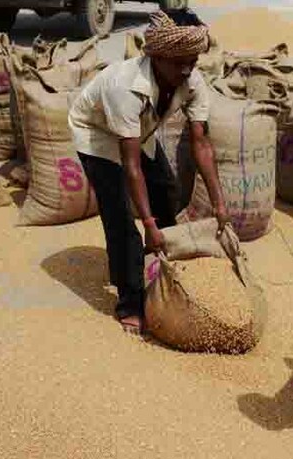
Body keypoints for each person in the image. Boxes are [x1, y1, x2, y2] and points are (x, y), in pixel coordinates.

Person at [69, 9, 229, 337]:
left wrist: (219, 203)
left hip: (138, 130)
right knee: (121, 219)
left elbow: (202, 144)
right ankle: (129, 301)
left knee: (166, 191)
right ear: (156, 56)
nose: (186, 69)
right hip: (98, 135)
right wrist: (148, 224)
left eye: (192, 61)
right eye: (178, 62)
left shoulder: (191, 79)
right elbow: (130, 167)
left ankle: (163, 267)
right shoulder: (124, 87)